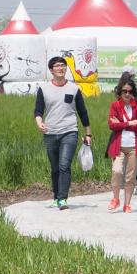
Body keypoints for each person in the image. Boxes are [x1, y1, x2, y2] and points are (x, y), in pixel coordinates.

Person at [33, 55, 92, 211]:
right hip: (50, 132)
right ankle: (56, 196)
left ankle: (62, 199)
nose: (61, 68)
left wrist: (88, 134)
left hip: (69, 131)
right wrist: (39, 122)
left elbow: (83, 112)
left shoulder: (73, 88)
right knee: (55, 167)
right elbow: (38, 110)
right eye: (58, 66)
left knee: (64, 165)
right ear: (51, 70)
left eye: (63, 65)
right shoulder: (44, 88)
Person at [106, 78, 137, 212]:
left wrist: (121, 124)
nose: (127, 94)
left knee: (130, 176)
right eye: (124, 91)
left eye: (130, 91)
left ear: (133, 92)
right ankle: (116, 199)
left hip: (134, 146)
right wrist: (130, 123)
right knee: (117, 171)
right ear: (120, 92)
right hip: (119, 145)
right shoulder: (115, 106)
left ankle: (127, 204)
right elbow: (112, 125)